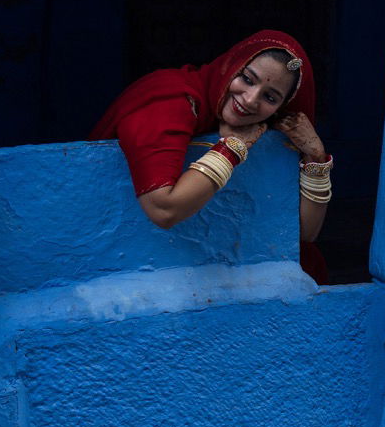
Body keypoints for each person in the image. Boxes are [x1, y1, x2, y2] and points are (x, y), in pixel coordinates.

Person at [92, 30, 333, 282]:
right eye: (248, 79)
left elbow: (306, 233)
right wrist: (232, 148)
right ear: (230, 66)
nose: (251, 100)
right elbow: (163, 209)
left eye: (269, 97)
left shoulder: (264, 126)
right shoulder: (171, 101)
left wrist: (315, 155)